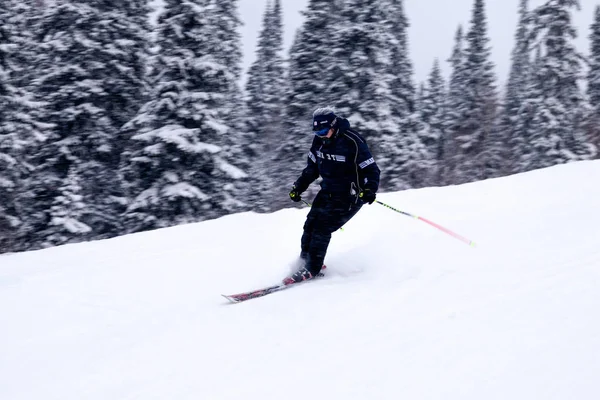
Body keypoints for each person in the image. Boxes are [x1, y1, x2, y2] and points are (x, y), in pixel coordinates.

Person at [284, 107, 381, 284]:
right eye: (317, 131)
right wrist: (299, 187)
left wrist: (369, 190)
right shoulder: (319, 141)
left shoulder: (352, 141)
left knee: (322, 228)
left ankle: (311, 269)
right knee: (310, 225)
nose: (320, 134)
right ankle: (306, 263)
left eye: (323, 130)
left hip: (350, 195)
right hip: (328, 191)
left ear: (333, 125)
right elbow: (312, 168)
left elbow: (371, 169)